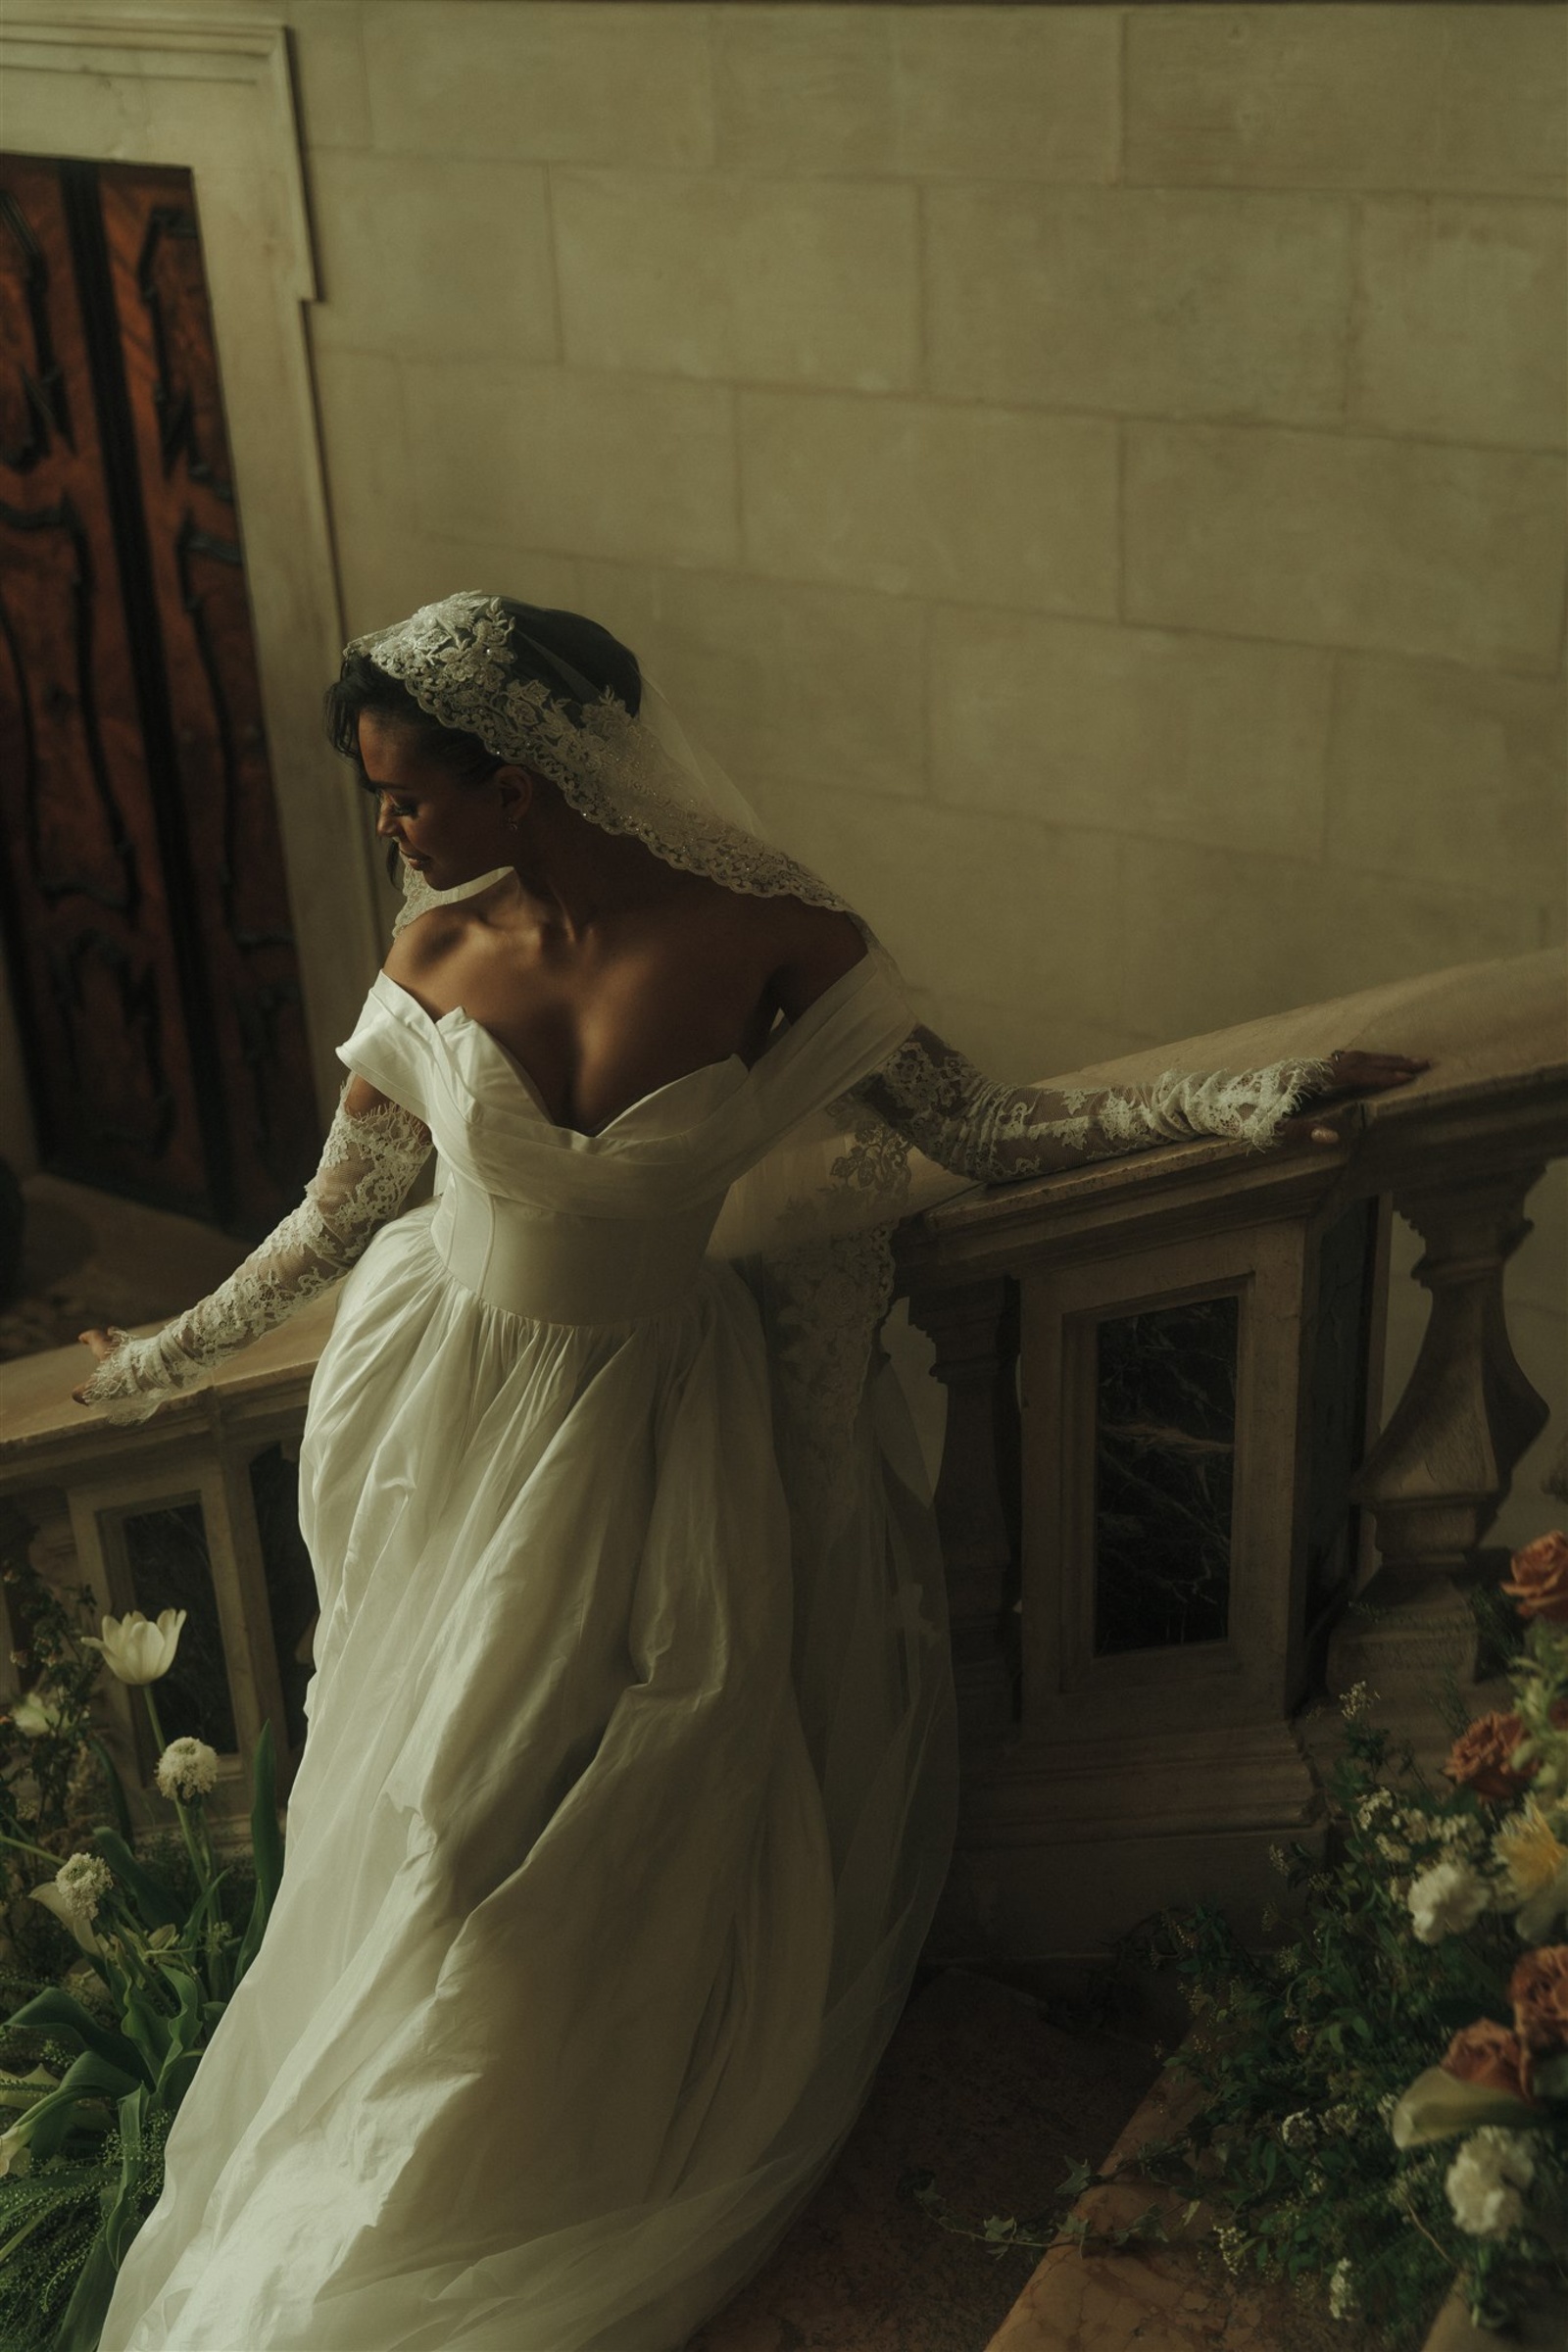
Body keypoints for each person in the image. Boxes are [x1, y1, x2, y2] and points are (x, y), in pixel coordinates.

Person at [74, 594, 1429, 2351]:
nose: (391, 832)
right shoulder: (434, 956)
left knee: (605, 1791)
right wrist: (154, 1366)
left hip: (649, 1425)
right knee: (435, 1814)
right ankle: (408, 2149)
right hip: (450, 1416)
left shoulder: (774, 940)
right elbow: (325, 1230)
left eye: (409, 796)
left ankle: (537, 2152)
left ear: (531, 777)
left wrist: (1254, 1100)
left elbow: (990, 1128)